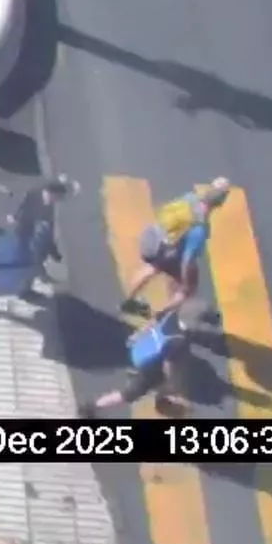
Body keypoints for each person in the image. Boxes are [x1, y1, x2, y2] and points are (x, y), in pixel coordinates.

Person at [122, 178, 230, 320]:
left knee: (152, 268)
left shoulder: (190, 198)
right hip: (164, 251)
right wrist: (185, 283)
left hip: (152, 237)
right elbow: (187, 260)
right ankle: (162, 317)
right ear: (220, 203)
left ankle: (128, 302)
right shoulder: (200, 229)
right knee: (187, 287)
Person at [0, 177, 69, 305]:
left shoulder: (36, 193)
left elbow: (23, 209)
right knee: (13, 273)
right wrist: (50, 257)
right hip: (27, 247)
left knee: (15, 269)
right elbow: (43, 236)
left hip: (21, 239)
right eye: (59, 197)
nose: (59, 200)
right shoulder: (46, 212)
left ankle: (24, 290)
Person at [79, 309, 190, 416]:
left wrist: (137, 334)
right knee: (128, 395)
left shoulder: (171, 314)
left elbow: (153, 321)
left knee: (156, 384)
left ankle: (164, 399)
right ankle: (91, 406)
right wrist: (171, 384)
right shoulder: (178, 340)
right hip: (150, 369)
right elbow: (167, 365)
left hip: (141, 350)